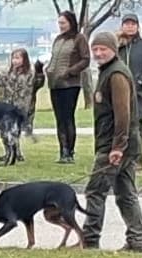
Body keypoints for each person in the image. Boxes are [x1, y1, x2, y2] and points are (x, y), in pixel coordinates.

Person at [81, 31, 142, 252]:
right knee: (126, 194)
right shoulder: (107, 71)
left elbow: (123, 114)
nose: (98, 53)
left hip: (116, 146)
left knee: (95, 190)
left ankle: (89, 240)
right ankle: (137, 242)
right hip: (120, 144)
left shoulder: (116, 74)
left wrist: (118, 147)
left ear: (113, 49)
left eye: (103, 49)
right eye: (95, 49)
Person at [45, 10, 90, 164]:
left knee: (67, 118)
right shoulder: (57, 39)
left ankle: (69, 151)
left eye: (63, 23)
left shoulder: (79, 38)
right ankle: (62, 150)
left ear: (71, 22)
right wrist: (48, 69)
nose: (61, 26)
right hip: (55, 84)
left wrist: (70, 72)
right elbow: (54, 58)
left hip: (70, 85)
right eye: (59, 23)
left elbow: (85, 60)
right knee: (59, 119)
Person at [0, 48, 44, 150]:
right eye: (13, 58)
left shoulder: (30, 75)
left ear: (25, 59)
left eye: (18, 58)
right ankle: (9, 152)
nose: (15, 61)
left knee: (16, 131)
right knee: (4, 132)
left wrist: (39, 72)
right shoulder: (6, 74)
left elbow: (38, 83)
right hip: (6, 108)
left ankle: (16, 152)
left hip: (22, 108)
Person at [118, 12, 142, 164]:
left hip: (138, 93)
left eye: (132, 24)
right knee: (121, 126)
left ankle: (138, 160)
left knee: (137, 127)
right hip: (119, 92)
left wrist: (141, 80)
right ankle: (121, 157)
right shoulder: (118, 46)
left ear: (137, 26)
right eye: (127, 24)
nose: (129, 27)